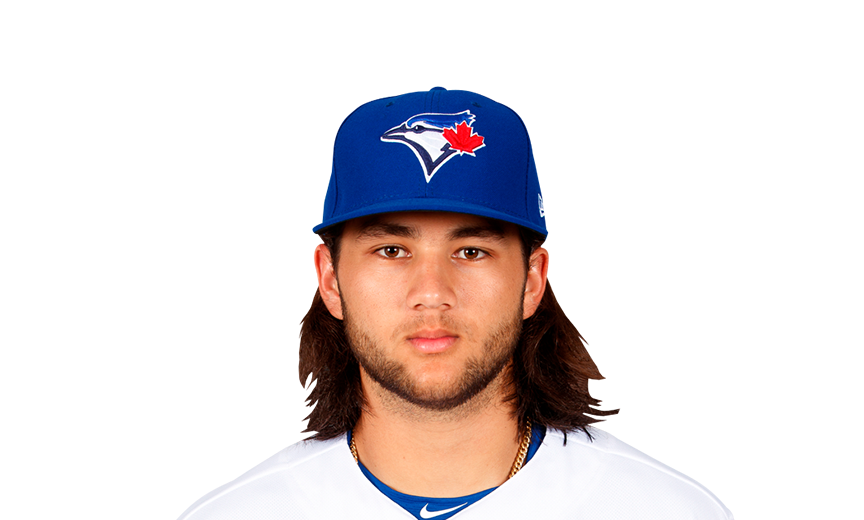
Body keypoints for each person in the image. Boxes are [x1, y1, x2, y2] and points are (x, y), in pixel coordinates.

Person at [182, 89, 732, 519]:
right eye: (391, 250)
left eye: (471, 251)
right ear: (330, 279)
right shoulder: (239, 514)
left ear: (532, 280)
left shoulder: (666, 512)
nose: (431, 292)